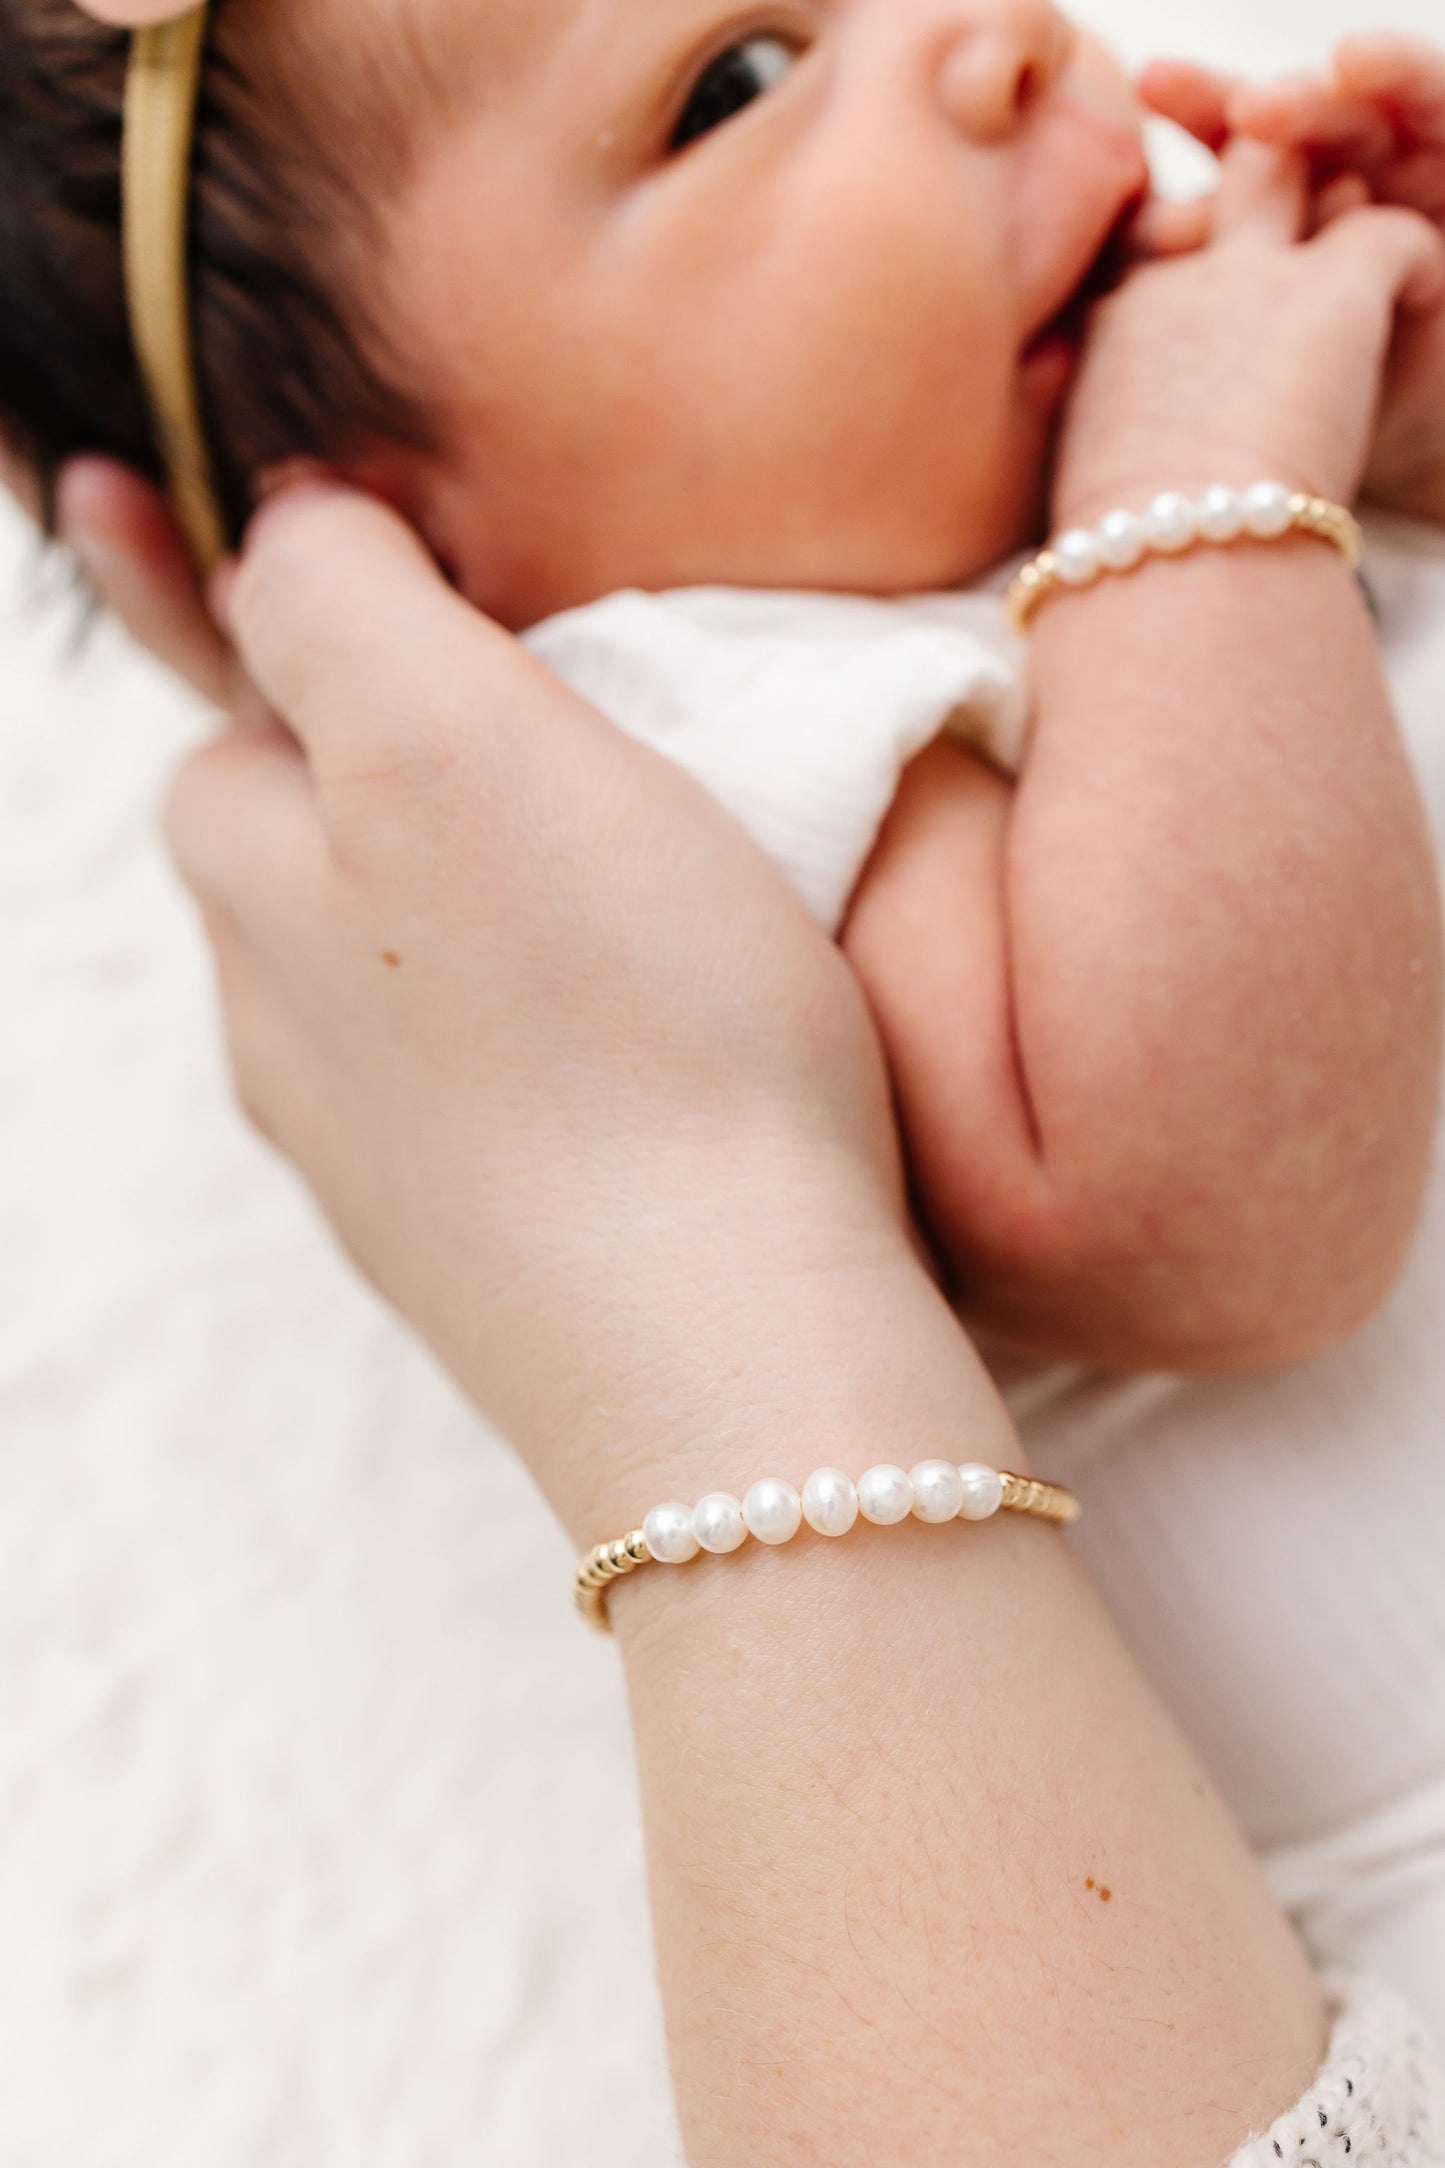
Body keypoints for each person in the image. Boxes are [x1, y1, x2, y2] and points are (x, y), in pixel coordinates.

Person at [133, 469, 1445, 2163]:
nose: (987, 178)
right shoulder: (683, 708)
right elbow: (1227, 1210)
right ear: (419, 519)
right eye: (690, 179)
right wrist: (1194, 475)